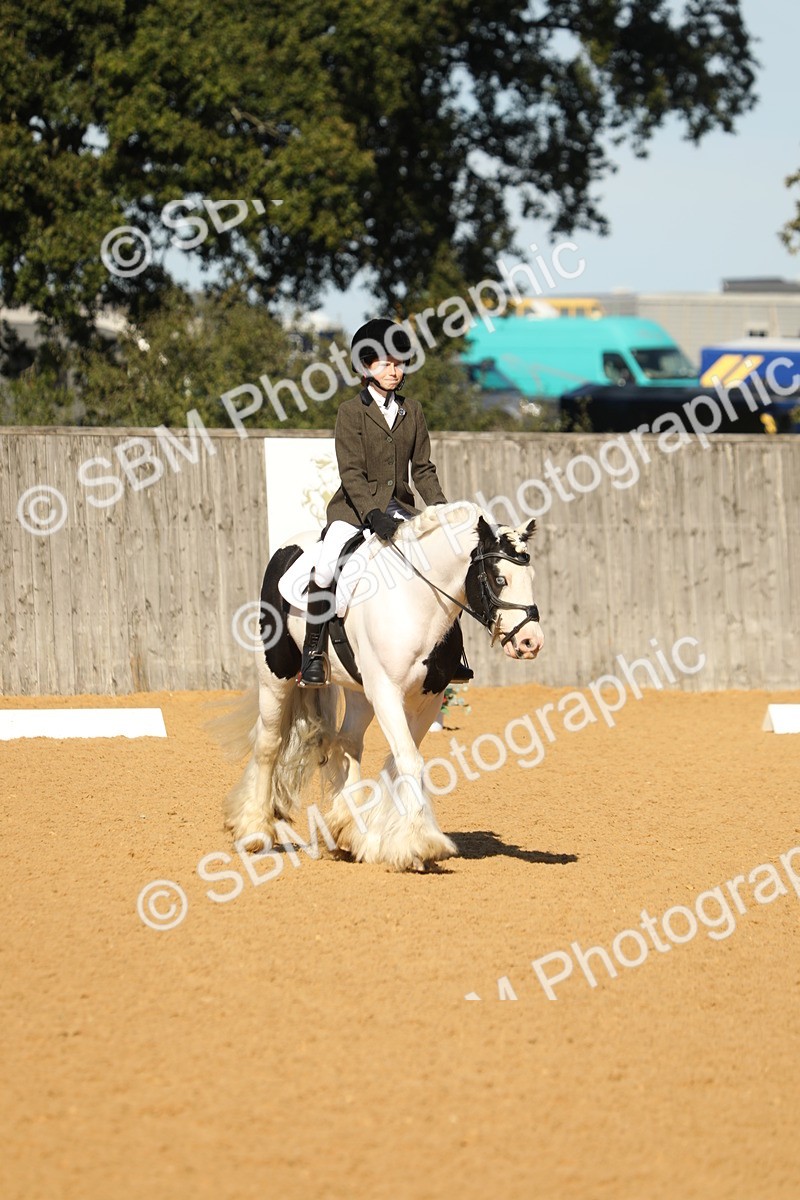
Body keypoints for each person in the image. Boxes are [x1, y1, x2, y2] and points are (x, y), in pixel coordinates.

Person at [297, 317, 473, 687]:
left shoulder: (413, 411)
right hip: (354, 509)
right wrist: (372, 513)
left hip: (401, 508)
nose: (395, 371)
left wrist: (442, 512)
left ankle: (452, 652)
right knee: (328, 562)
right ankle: (314, 653)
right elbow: (351, 472)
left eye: (400, 363)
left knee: (441, 557)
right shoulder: (350, 412)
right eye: (386, 363)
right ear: (366, 367)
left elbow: (423, 469)